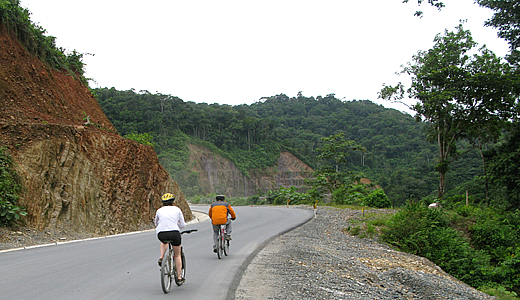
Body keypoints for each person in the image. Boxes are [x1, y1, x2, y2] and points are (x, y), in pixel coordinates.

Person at [155, 193, 186, 285]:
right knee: (177, 255)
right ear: (173, 201)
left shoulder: (159, 210)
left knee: (164, 242)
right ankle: (179, 277)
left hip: (161, 233)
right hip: (174, 233)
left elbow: (156, 223)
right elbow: (182, 225)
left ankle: (161, 257)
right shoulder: (177, 209)